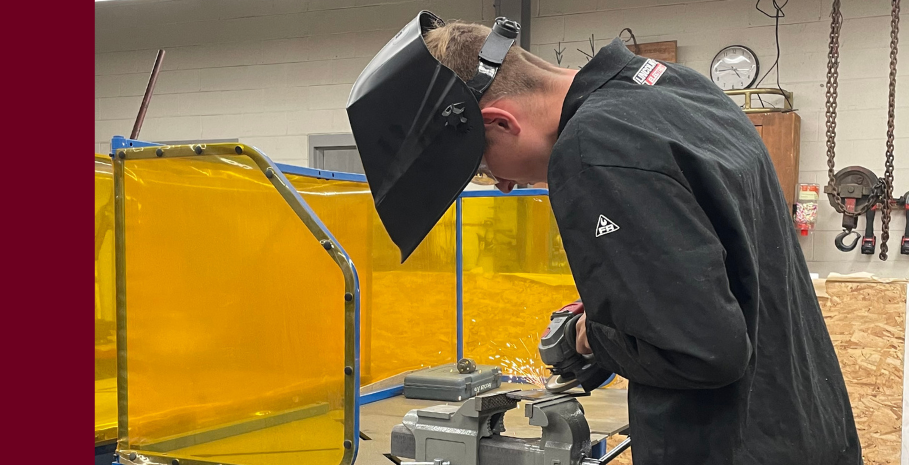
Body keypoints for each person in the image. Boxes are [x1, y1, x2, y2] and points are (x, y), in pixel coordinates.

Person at [347, 12, 861, 465]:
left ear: (498, 121)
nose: (501, 183)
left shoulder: (594, 146)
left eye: (482, 167)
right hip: (809, 428)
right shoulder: (675, 87)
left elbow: (705, 351)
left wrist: (589, 336)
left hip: (733, 447)